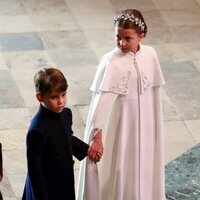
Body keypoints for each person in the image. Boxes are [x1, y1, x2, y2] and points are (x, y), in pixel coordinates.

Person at [77, 9, 165, 200]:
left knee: (145, 164)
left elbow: (154, 92)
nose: (121, 43)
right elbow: (100, 105)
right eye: (118, 37)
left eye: (127, 38)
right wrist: (97, 137)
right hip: (123, 124)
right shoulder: (111, 62)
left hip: (146, 125)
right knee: (122, 166)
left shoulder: (150, 54)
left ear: (141, 36)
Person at [22, 68, 102, 200]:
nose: (61, 101)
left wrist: (87, 149)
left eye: (63, 95)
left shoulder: (66, 114)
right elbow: (35, 172)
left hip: (64, 180)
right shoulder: (36, 130)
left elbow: (66, 137)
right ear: (39, 97)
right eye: (54, 97)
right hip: (47, 187)